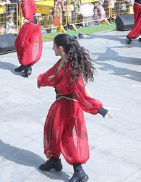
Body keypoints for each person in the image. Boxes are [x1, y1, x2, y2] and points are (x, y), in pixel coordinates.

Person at [37, 34, 111, 182]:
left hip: (71, 107)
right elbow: (51, 75)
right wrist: (41, 80)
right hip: (60, 104)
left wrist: (98, 108)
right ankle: (55, 160)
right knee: (52, 132)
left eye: (53, 46)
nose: (52, 48)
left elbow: (82, 90)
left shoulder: (72, 67)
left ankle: (80, 172)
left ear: (60, 48)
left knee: (69, 138)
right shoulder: (61, 61)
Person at [14, 0, 43, 77]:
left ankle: (27, 66)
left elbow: (27, 11)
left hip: (30, 23)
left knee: (24, 44)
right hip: (34, 22)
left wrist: (26, 18)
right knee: (26, 44)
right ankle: (24, 64)